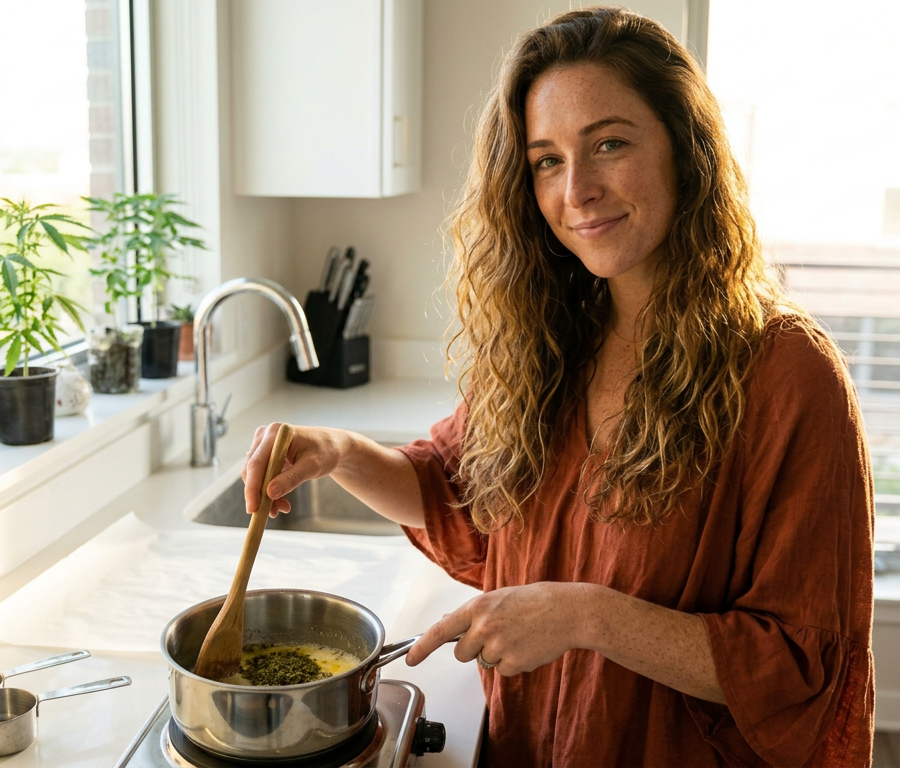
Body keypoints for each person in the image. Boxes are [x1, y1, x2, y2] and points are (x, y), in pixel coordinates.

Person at [242, 6, 875, 766]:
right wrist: (338, 450)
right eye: (547, 159)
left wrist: (586, 617)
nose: (577, 189)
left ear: (686, 150)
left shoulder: (786, 374)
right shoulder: (555, 342)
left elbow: (802, 666)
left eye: (609, 143)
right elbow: (455, 493)